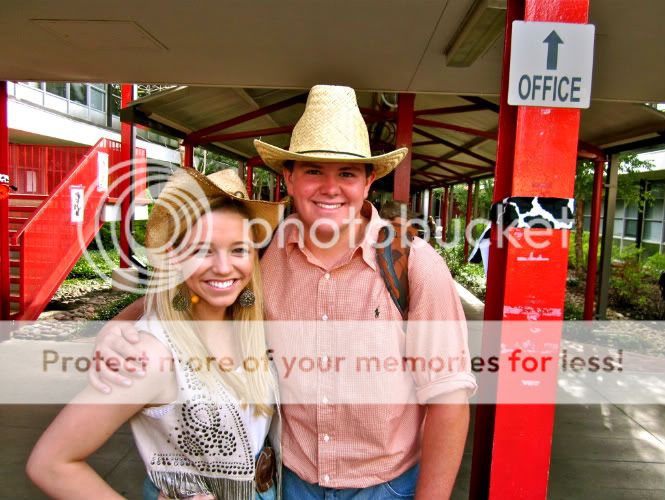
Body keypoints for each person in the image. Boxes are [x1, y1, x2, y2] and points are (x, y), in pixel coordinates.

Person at [90, 85, 476, 499]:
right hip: (288, 483)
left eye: (347, 173)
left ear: (369, 182)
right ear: (289, 178)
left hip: (385, 487)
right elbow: (191, 290)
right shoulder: (261, 252)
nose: (330, 188)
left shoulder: (412, 264)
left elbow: (449, 400)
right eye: (313, 171)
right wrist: (121, 329)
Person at [27, 169, 287, 499]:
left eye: (238, 250)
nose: (224, 267)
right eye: (203, 251)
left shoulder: (249, 326)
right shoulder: (150, 354)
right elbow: (51, 464)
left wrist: (115, 323)